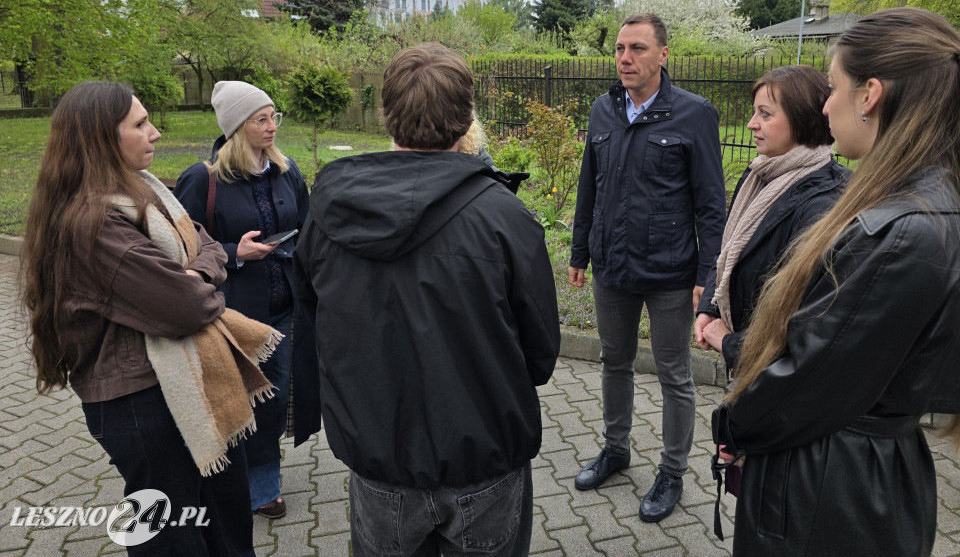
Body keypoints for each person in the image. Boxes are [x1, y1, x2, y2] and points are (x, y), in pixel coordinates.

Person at [711, 8, 960, 556]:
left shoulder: (904, 232)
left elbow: (805, 380)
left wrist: (734, 426)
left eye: (833, 87)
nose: (824, 104)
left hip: (828, 489)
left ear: (870, 95)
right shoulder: (922, 204)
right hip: (844, 472)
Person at [294, 44, 560, 557]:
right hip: (479, 454)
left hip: (385, 457)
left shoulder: (327, 215)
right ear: (466, 119)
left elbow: (315, 326)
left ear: (385, 115)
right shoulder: (505, 217)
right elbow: (539, 352)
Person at [20, 81, 261, 556]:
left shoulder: (148, 193)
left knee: (226, 518)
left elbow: (206, 244)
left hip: (187, 384)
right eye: (140, 124)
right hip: (139, 402)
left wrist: (196, 271)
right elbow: (187, 307)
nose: (155, 133)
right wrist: (200, 278)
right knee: (172, 539)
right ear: (101, 139)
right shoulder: (92, 223)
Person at [569, 12, 727, 522]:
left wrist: (709, 277)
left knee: (673, 374)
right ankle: (616, 451)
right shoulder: (603, 110)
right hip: (612, 267)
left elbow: (710, 204)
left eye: (637, 48)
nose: (625, 58)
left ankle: (672, 471)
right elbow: (587, 188)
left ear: (663, 56)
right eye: (619, 49)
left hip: (670, 273)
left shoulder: (693, 114)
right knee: (613, 361)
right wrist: (578, 251)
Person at [175, 81, 320, 520]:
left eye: (274, 115)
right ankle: (252, 485)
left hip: (285, 310)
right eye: (261, 118)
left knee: (275, 400)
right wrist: (235, 253)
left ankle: (258, 474)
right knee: (243, 401)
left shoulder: (286, 170)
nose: (272, 125)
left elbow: (308, 226)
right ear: (238, 126)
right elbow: (182, 250)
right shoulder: (204, 179)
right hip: (234, 316)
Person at [694, 65, 848, 373]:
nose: (751, 124)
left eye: (765, 114)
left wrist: (729, 344)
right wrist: (710, 308)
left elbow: (803, 321)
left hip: (771, 378)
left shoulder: (824, 204)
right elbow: (730, 249)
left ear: (802, 119)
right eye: (755, 113)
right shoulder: (759, 175)